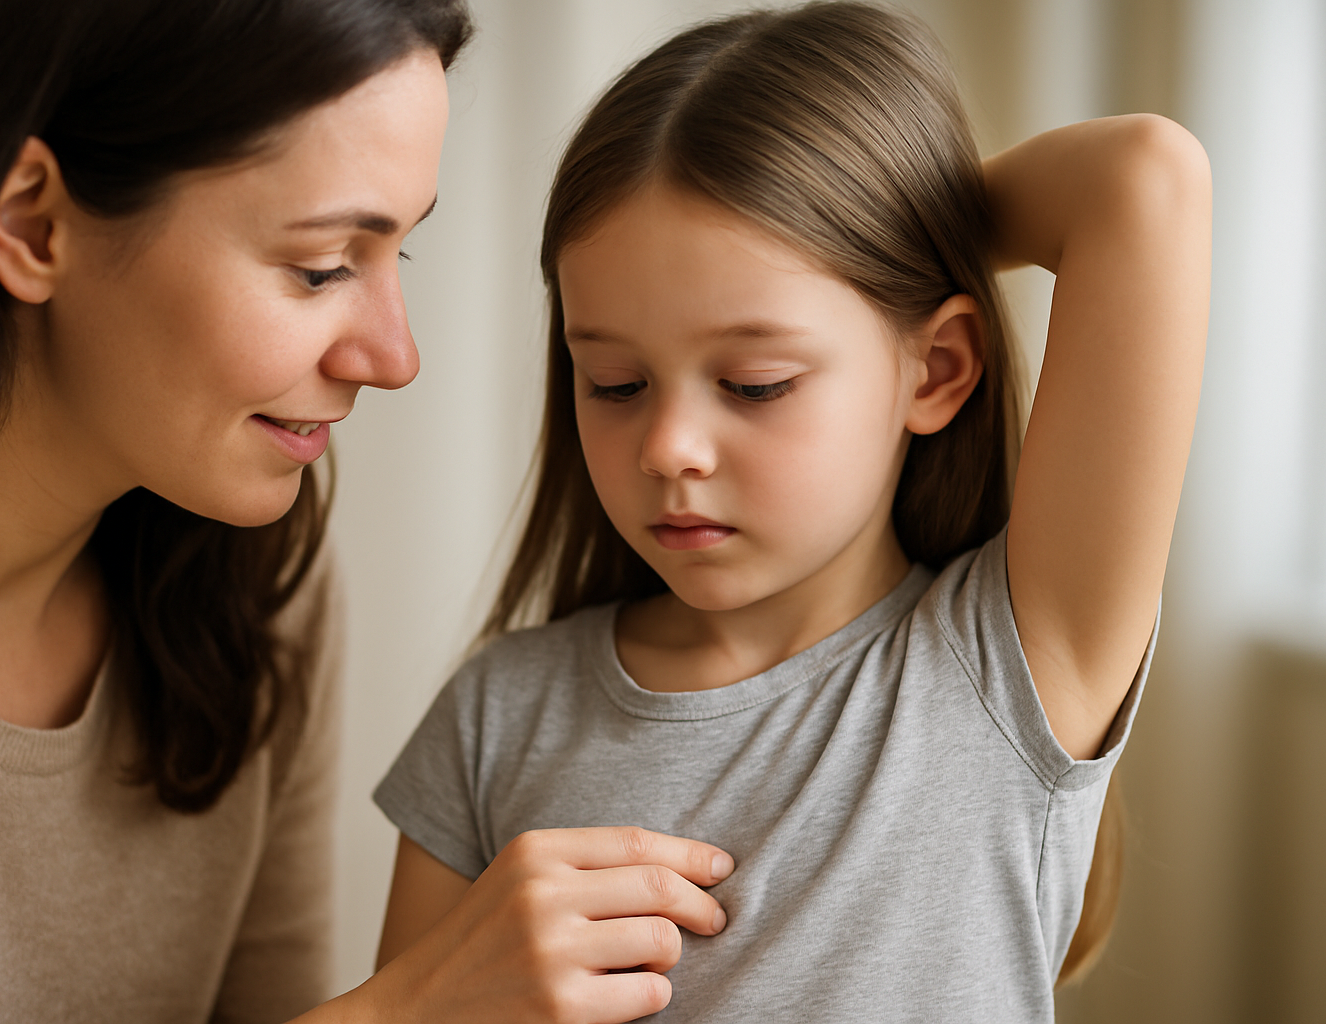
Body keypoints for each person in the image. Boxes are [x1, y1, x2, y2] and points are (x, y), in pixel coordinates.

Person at [0, 1, 744, 1022]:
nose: (394, 357)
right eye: (322, 266)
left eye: (399, 254)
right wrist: (408, 1009)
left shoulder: (250, 588)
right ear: (32, 221)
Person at [373, 2, 1211, 1020]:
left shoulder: (1008, 667)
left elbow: (1144, 178)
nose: (669, 448)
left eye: (758, 382)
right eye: (616, 382)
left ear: (935, 369)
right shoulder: (498, 716)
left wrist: (886, 218)